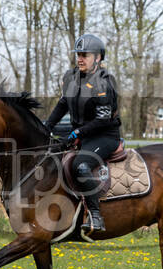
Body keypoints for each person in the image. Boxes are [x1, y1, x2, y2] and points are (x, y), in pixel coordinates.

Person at [43, 34, 122, 233]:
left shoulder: (104, 83)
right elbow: (63, 104)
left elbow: (103, 120)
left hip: (104, 135)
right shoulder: (70, 77)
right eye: (78, 54)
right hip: (81, 133)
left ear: (98, 58)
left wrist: (77, 132)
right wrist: (47, 126)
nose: (80, 58)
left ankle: (95, 215)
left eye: (84, 55)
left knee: (81, 165)